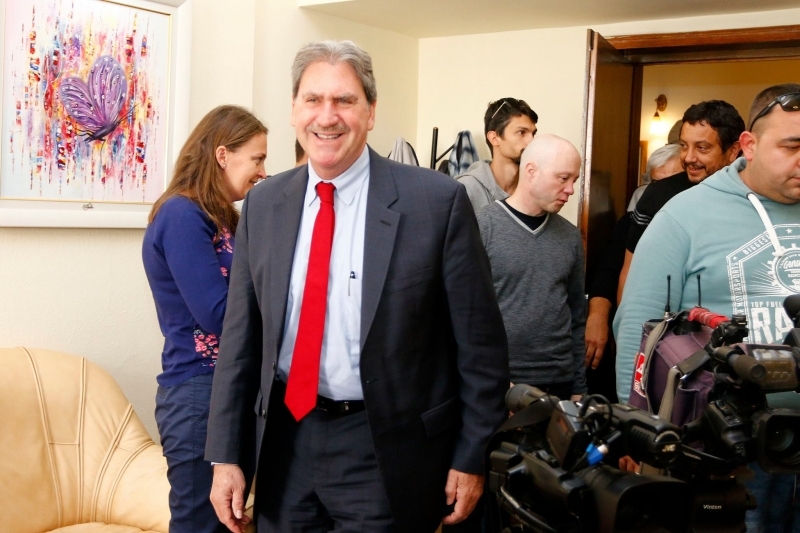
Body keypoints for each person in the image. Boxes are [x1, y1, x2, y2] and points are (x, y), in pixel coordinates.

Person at [205, 40, 509, 533]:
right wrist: (225, 455)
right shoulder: (264, 205)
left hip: (385, 449)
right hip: (284, 446)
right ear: (294, 110)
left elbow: (481, 348)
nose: (327, 116)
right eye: (313, 99)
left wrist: (471, 455)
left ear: (370, 111)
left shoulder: (436, 203)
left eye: (344, 100)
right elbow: (240, 340)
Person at [613, 84, 800, 531]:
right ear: (749, 145)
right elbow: (639, 327)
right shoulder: (683, 216)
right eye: (792, 147)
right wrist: (640, 433)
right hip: (727, 450)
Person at [141, 105, 268, 533]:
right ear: (222, 155)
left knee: (229, 523)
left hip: (227, 390)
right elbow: (218, 314)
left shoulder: (224, 217)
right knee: (200, 524)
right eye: (257, 159)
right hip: (197, 394)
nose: (262, 172)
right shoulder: (181, 214)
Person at [476, 134, 585, 401]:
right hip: (501, 382)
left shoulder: (570, 237)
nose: (571, 189)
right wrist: (493, 376)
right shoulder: (482, 226)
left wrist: (579, 388)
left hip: (559, 382)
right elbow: (467, 316)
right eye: (563, 178)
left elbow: (577, 315)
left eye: (574, 180)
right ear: (531, 171)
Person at [618, 100, 745, 301]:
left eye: (702, 148)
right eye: (684, 146)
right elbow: (631, 274)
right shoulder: (657, 195)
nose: (688, 158)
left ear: (733, 151)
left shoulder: (752, 198)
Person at [455, 97, 538, 214]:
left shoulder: (535, 189)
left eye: (533, 133)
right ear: (494, 138)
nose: (532, 141)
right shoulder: (466, 190)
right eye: (521, 132)